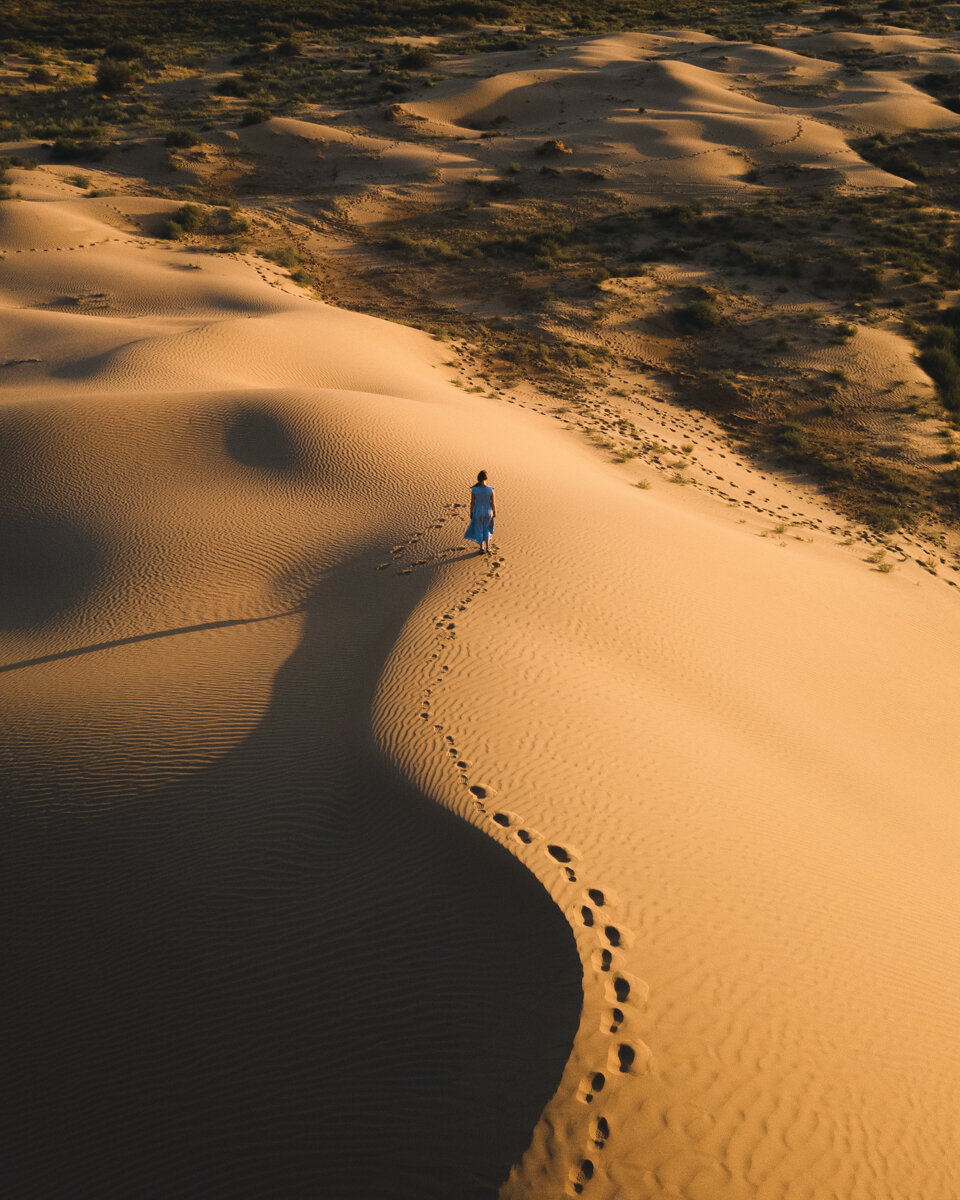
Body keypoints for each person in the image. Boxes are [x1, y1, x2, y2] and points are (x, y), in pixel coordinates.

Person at [464, 469, 495, 554]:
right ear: (486, 478)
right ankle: (488, 547)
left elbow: (472, 502)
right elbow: (493, 503)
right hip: (488, 512)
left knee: (479, 529)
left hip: (478, 512)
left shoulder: (474, 490)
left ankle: (481, 548)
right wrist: (494, 512)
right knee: (487, 529)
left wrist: (471, 512)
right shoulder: (490, 489)